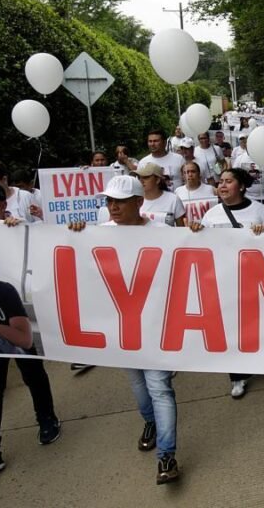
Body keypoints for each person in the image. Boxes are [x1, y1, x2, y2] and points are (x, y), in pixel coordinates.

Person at [68, 175, 181, 484]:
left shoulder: (163, 232)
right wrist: (75, 235)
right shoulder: (97, 233)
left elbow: (188, 262)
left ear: (139, 203)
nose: (113, 207)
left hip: (157, 326)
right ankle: (150, 423)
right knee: (138, 386)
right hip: (122, 329)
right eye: (109, 201)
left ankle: (167, 456)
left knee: (159, 388)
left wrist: (195, 233)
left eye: (119, 201)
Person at [0, 217, 61, 480]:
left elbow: (25, 339)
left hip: (16, 342)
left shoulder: (4, 291)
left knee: (33, 373)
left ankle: (47, 419)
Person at [192, 168, 264, 398]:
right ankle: (237, 376)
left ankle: (261, 357)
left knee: (253, 324)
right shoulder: (210, 215)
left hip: (253, 279)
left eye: (229, 181)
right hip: (223, 281)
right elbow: (202, 248)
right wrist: (196, 231)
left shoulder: (260, 211)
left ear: (241, 186)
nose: (222, 185)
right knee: (229, 328)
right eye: (220, 182)